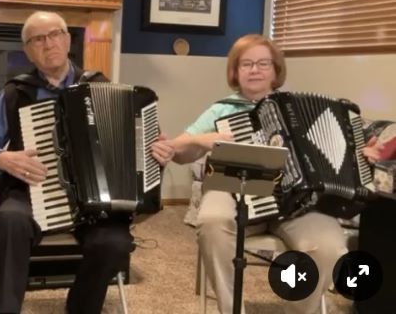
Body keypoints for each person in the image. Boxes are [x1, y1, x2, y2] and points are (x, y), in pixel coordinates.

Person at [149, 34, 390, 313]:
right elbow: (179, 152)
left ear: (276, 70)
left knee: (328, 247)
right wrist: (201, 140)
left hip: (297, 204)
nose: (254, 70)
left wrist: (361, 156)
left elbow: (344, 155)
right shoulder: (223, 109)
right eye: (246, 64)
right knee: (212, 221)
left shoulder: (299, 111)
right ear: (235, 72)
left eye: (263, 63)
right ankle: (231, 309)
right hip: (233, 191)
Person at [0, 11, 174, 313]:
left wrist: (158, 151)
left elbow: (139, 146)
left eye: (54, 34)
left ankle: (80, 307)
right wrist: (1, 156)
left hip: (95, 198)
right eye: (37, 39)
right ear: (27, 50)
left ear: (67, 40)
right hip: (31, 188)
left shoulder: (100, 86)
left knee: (114, 243)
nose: (48, 43)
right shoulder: (16, 92)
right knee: (8, 221)